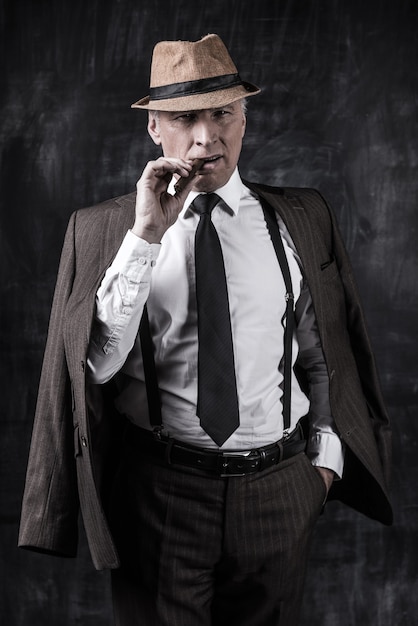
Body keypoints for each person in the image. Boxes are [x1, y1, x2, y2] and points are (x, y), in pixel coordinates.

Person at [19, 34, 392, 625]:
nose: (206, 137)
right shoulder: (102, 231)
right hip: (160, 496)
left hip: (281, 490)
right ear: (154, 130)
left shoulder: (300, 218)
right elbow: (95, 366)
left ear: (244, 116)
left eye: (223, 113)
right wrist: (145, 237)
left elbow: (324, 353)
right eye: (184, 118)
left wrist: (322, 467)